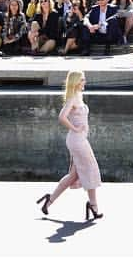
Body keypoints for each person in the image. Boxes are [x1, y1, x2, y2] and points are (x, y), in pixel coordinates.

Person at [35, 70, 103, 221]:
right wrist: (75, 128)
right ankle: (93, 206)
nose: (85, 82)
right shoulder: (73, 98)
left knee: (73, 176)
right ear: (76, 82)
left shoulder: (79, 96)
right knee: (91, 169)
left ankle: (49, 200)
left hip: (79, 140)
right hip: (77, 140)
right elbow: (62, 117)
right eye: (83, 79)